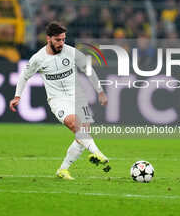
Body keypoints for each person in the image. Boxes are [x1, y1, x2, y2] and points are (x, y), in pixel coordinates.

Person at [9, 21, 109, 180]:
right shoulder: (38, 58)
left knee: (83, 131)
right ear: (48, 39)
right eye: (58, 40)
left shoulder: (71, 52)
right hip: (58, 100)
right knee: (74, 124)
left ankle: (63, 170)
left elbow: (88, 69)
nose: (61, 43)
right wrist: (17, 96)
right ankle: (97, 153)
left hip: (78, 97)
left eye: (63, 39)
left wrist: (100, 91)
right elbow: (24, 76)